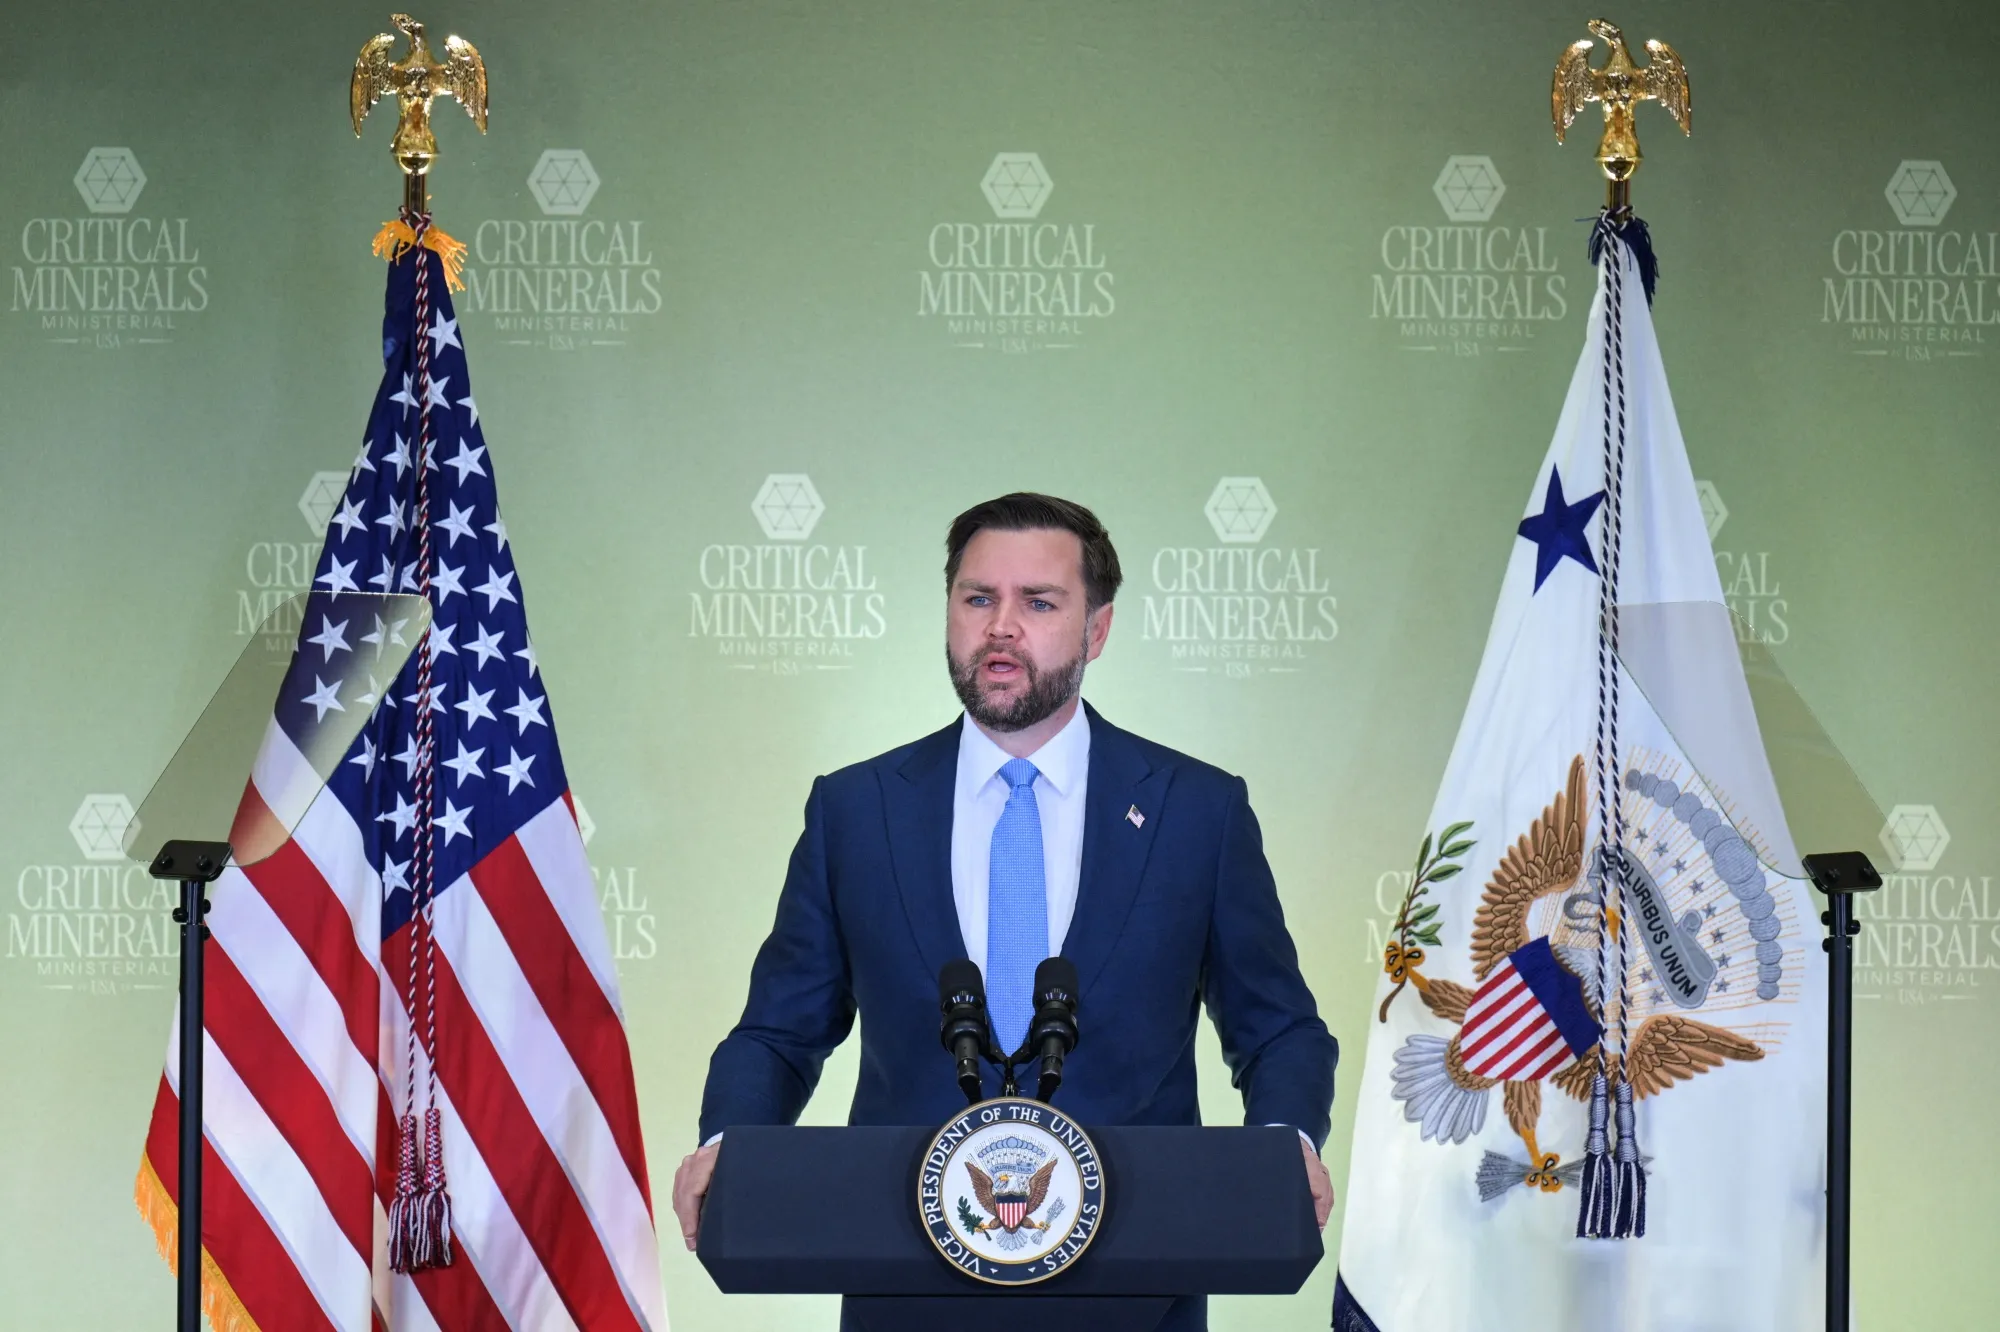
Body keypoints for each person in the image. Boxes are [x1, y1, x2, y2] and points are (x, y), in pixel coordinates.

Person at [673, 493, 1337, 1329]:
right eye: (978, 598)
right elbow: (779, 1032)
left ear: (1098, 630)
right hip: (906, 1295)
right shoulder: (857, 810)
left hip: (1135, 1298)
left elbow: (1277, 1029)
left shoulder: (1197, 811)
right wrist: (728, 1144)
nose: (1001, 627)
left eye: (1040, 602)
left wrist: (1285, 1145)